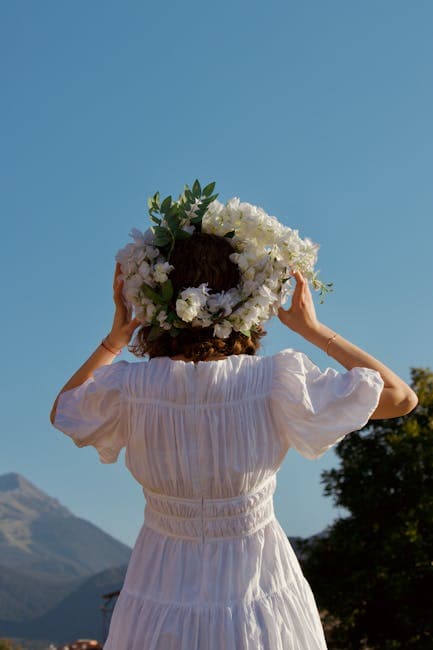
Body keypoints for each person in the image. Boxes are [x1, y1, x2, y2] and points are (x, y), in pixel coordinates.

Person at [50, 189, 417, 650]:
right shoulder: (273, 381)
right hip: (259, 592)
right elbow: (401, 398)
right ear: (247, 297)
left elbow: (63, 410)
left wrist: (114, 337)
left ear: (155, 300)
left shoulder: (131, 389)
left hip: (158, 587)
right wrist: (314, 330)